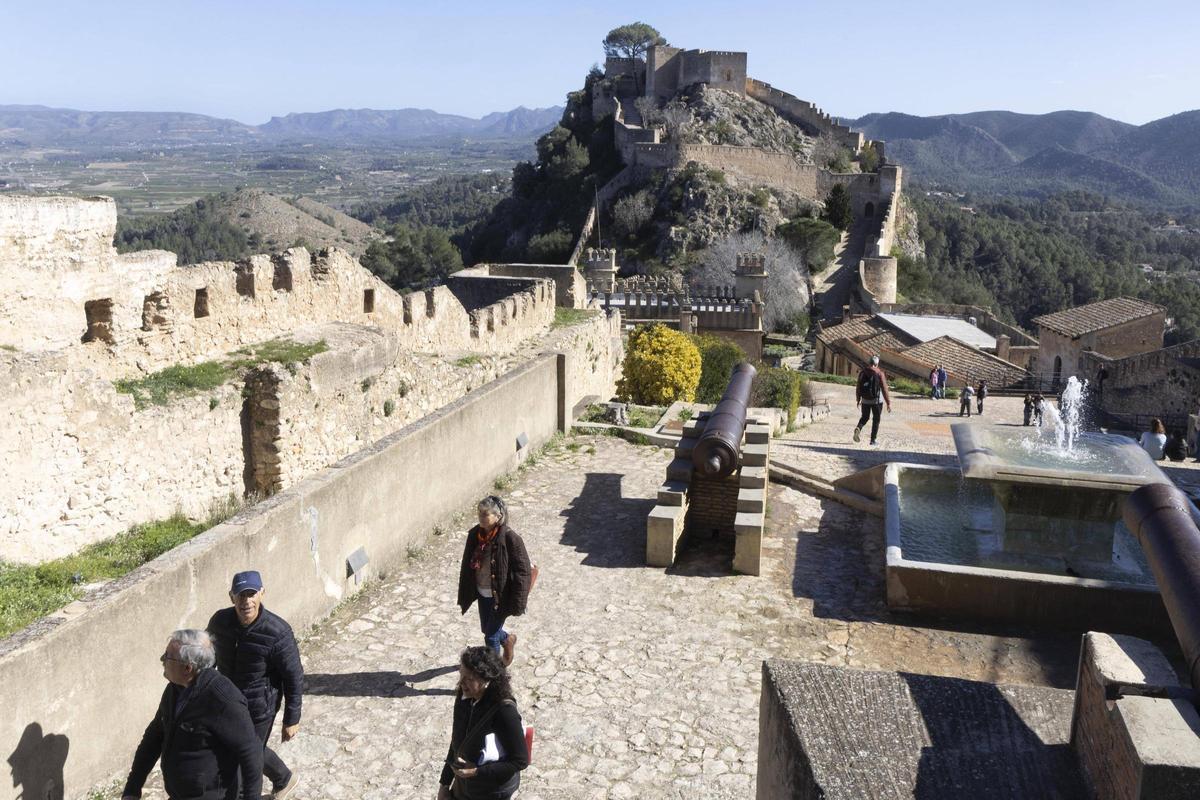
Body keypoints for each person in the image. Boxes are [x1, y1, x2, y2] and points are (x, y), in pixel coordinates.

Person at [122, 630, 262, 800]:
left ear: (187, 668)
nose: (162, 660)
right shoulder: (174, 689)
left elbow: (251, 752)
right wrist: (132, 788)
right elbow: (154, 737)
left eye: (168, 656)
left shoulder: (223, 700)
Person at [206, 571, 303, 800]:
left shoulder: (277, 631)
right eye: (240, 595)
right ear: (231, 597)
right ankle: (284, 778)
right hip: (229, 702)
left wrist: (292, 718)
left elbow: (294, 675)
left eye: (251, 594)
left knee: (243, 758)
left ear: (261, 593)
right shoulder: (220, 622)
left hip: (261, 706)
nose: (246, 601)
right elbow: (207, 655)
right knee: (248, 749)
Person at [438, 647, 529, 800]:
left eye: (469, 678)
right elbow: (457, 741)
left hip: (491, 791)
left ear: (486, 680)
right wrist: (445, 784)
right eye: (461, 674)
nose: (462, 683)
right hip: (464, 787)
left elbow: (520, 761)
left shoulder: (504, 711)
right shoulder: (465, 695)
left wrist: (476, 772)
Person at [458, 496, 532, 666]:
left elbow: (523, 571)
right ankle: (507, 640)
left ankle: (495, 674)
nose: (481, 517)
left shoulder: (510, 538)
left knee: (490, 635)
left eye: (486, 514)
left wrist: (519, 600)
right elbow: (466, 565)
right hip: (482, 591)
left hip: (501, 596)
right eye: (479, 513)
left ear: (498, 516)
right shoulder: (475, 535)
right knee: (487, 629)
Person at [852, 355, 892, 447]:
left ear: (869, 363)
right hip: (877, 401)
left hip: (865, 400)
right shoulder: (879, 373)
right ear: (877, 364)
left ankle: (858, 428)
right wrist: (888, 403)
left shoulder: (862, 373)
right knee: (876, 419)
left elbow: (858, 387)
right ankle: (873, 440)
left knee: (864, 417)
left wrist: (858, 399)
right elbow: (885, 389)